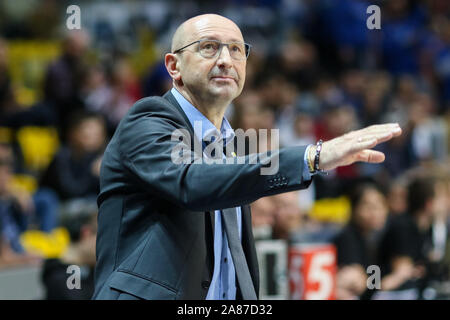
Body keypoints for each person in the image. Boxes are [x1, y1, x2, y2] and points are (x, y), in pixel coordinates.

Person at [92, 14, 402, 300]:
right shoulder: (147, 120)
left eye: (237, 50)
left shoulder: (230, 144)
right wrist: (312, 157)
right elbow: (192, 181)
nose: (226, 60)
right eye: (209, 48)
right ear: (174, 66)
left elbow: (232, 256)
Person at [333, 182, 389, 300]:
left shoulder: (377, 237)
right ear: (354, 209)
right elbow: (357, 283)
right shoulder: (347, 238)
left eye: (380, 205)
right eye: (368, 206)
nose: (376, 212)